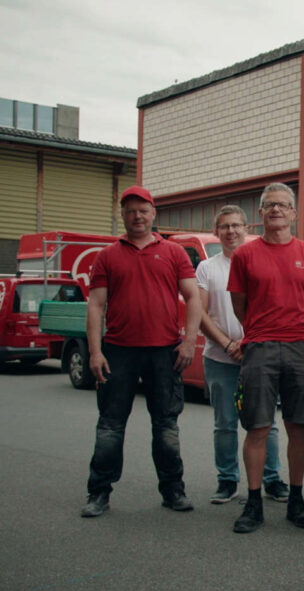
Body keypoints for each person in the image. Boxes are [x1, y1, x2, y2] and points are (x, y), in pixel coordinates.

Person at [80, 185, 201, 518]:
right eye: (131, 210)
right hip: (118, 352)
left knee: (166, 426)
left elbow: (193, 298)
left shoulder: (175, 253)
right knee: (110, 426)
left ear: (153, 213)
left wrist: (189, 340)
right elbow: (96, 305)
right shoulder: (107, 256)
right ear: (122, 214)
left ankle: (173, 491)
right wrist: (95, 351)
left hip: (165, 352)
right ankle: (99, 493)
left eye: (143, 210)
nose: (137, 216)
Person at [227, 183, 304, 534]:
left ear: (295, 213)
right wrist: (260, 331)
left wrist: (292, 328)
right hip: (260, 347)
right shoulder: (244, 256)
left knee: (298, 426)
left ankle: (296, 499)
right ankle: (253, 503)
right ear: (261, 213)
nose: (276, 210)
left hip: (299, 346)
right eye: (269, 206)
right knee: (257, 427)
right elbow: (240, 307)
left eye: (283, 205)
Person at [196, 205, 287, 504]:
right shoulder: (207, 268)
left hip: (258, 355)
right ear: (216, 231)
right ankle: (227, 480)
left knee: (266, 424)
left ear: (246, 229)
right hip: (220, 359)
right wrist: (226, 343)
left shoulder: (259, 262)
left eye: (236, 225)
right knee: (224, 423)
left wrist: (248, 342)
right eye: (224, 226)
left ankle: (272, 479)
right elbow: (201, 313)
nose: (231, 231)